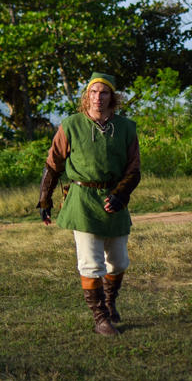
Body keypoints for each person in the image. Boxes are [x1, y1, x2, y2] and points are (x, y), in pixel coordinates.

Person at [38, 72, 141, 336]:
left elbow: (134, 169)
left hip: (114, 200)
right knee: (90, 263)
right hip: (82, 200)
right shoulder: (71, 125)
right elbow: (53, 164)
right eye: (93, 92)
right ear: (87, 96)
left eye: (103, 92)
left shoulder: (126, 128)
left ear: (112, 97)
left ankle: (110, 302)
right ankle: (100, 318)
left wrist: (120, 195)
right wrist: (45, 199)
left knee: (118, 262)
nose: (98, 98)